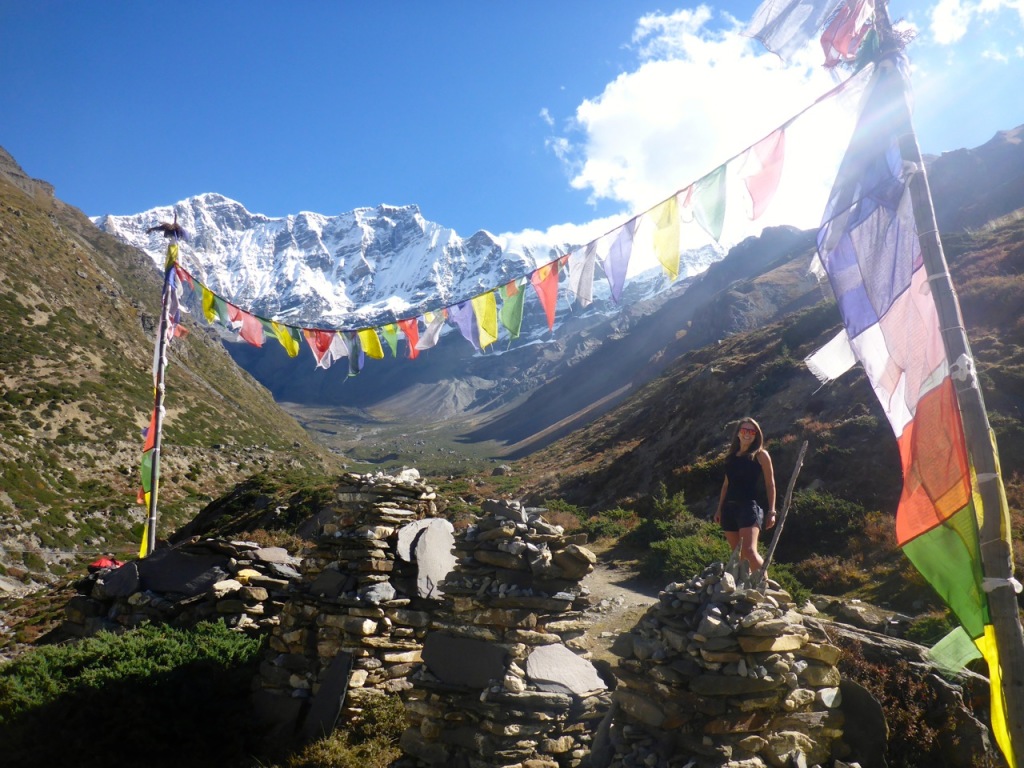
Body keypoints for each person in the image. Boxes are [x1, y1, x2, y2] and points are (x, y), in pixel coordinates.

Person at [713, 417, 776, 572]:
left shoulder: (761, 455)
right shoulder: (730, 457)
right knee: (738, 555)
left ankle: (765, 586)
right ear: (738, 434)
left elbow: (770, 484)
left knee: (749, 552)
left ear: (756, 434)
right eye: (744, 430)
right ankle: (746, 591)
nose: (747, 434)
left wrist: (772, 511)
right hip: (729, 509)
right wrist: (719, 509)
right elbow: (726, 485)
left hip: (748, 508)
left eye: (751, 431)